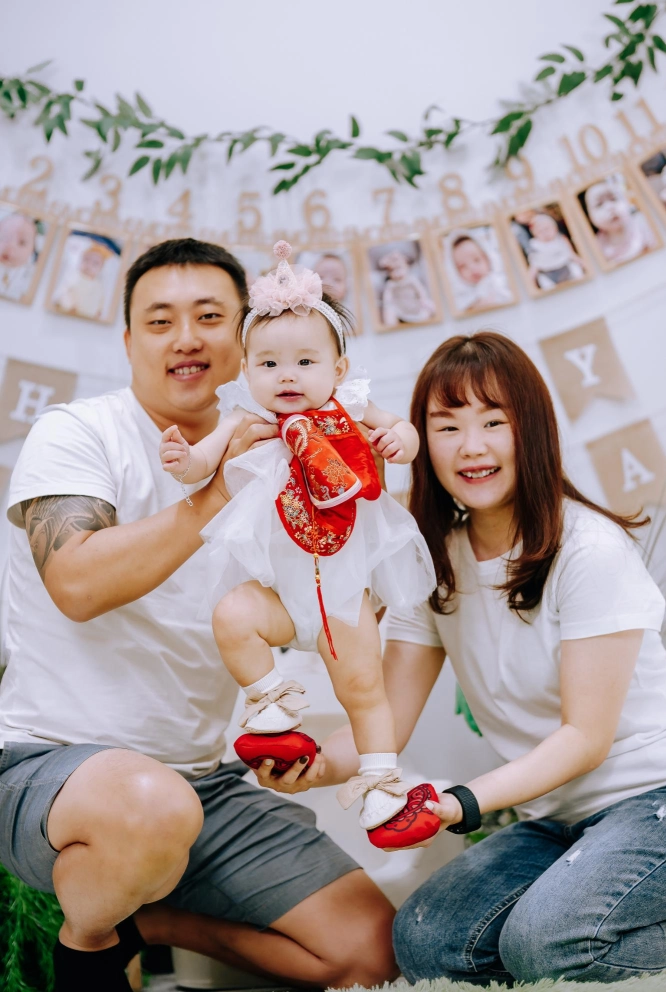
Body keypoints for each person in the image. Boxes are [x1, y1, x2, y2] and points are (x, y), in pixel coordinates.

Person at [0, 238, 397, 992]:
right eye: (161, 321)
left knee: (373, 956)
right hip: (49, 768)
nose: (186, 338)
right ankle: (88, 942)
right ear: (129, 342)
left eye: (210, 317)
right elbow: (77, 584)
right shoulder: (78, 433)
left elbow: (312, 611)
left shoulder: (285, 453)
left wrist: (308, 736)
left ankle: (145, 924)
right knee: (152, 806)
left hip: (203, 784)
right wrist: (217, 490)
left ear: (247, 338)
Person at [274, 331, 666, 985]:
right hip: (555, 820)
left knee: (545, 945)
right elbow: (386, 721)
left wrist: (455, 803)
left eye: (493, 422)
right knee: (428, 941)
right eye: (447, 426)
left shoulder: (589, 550)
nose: (471, 446)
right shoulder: (435, 561)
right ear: (421, 440)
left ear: (530, 432)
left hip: (651, 800)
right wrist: (313, 765)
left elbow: (586, 738)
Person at [159, 241, 436, 840]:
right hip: (280, 596)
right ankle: (271, 702)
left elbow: (403, 430)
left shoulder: (351, 408)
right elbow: (202, 463)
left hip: (342, 597)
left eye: (306, 361)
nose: (287, 375)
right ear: (245, 370)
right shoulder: (244, 419)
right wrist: (184, 460)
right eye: (268, 364)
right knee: (232, 616)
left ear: (339, 370)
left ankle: (382, 785)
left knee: (364, 689)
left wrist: (401, 443)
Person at [583, 174, 657, 265]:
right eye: (599, 205)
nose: (610, 207)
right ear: (590, 218)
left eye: (613, 199)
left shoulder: (641, 224)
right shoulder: (597, 245)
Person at [53, 235, 116, 319]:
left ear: (101, 268)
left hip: (88, 315)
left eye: (95, 263)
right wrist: (70, 305)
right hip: (70, 310)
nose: (89, 265)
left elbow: (100, 299)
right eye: (86, 259)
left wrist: (99, 311)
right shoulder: (74, 275)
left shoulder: (99, 285)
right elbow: (65, 291)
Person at [449, 232, 513, 311]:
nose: (472, 268)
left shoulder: (500, 281)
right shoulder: (461, 298)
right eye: (463, 266)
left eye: (476, 260)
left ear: (487, 258)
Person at [524, 210, 585, 289]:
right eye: (540, 231)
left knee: (575, 269)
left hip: (565, 267)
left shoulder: (560, 239)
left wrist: (584, 264)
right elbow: (534, 264)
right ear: (534, 233)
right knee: (544, 282)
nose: (544, 233)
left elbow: (571, 255)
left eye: (547, 229)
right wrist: (529, 281)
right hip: (547, 273)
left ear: (555, 228)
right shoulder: (534, 245)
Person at [377, 248, 435, 327]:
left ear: (407, 266)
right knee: (390, 310)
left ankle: (426, 318)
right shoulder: (391, 284)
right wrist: (388, 305)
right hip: (400, 307)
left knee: (427, 306)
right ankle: (391, 323)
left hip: (415, 304)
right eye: (392, 271)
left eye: (399, 268)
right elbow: (387, 298)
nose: (397, 273)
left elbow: (420, 290)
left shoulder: (411, 279)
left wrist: (423, 298)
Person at [0, 209, 39, 301]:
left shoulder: (30, 274)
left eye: (22, 243)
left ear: (32, 249)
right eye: (5, 237)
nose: (10, 247)